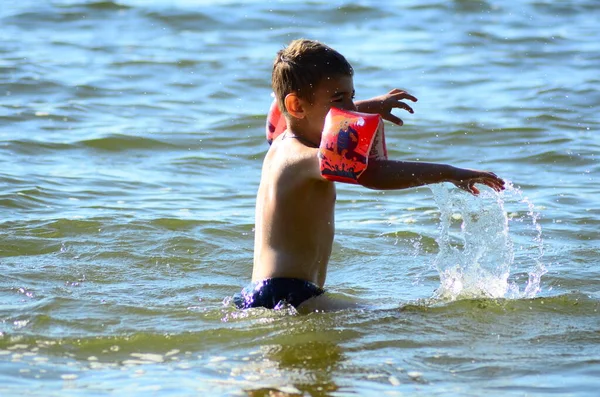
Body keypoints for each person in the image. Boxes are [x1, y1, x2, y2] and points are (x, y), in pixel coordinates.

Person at [233, 39, 505, 312]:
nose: (350, 109)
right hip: (287, 295)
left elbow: (315, 115)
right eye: (340, 99)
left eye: (352, 96)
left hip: (269, 292)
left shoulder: (283, 139)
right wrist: (449, 173)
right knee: (404, 319)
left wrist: (371, 104)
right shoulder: (300, 157)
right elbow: (371, 174)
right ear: (296, 106)